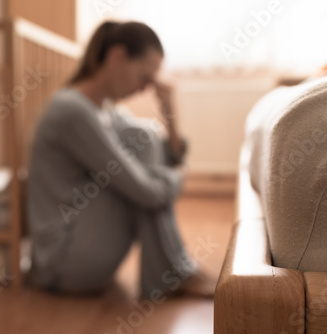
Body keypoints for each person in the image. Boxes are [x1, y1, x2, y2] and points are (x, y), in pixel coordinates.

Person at [26, 20, 216, 299]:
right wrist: (178, 179)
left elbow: (168, 155)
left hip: (81, 249)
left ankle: (174, 273)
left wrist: (170, 113)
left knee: (144, 136)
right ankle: (173, 274)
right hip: (62, 263)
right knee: (142, 152)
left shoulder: (104, 110)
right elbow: (146, 192)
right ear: (117, 57)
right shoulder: (72, 111)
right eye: (144, 77)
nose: (144, 89)